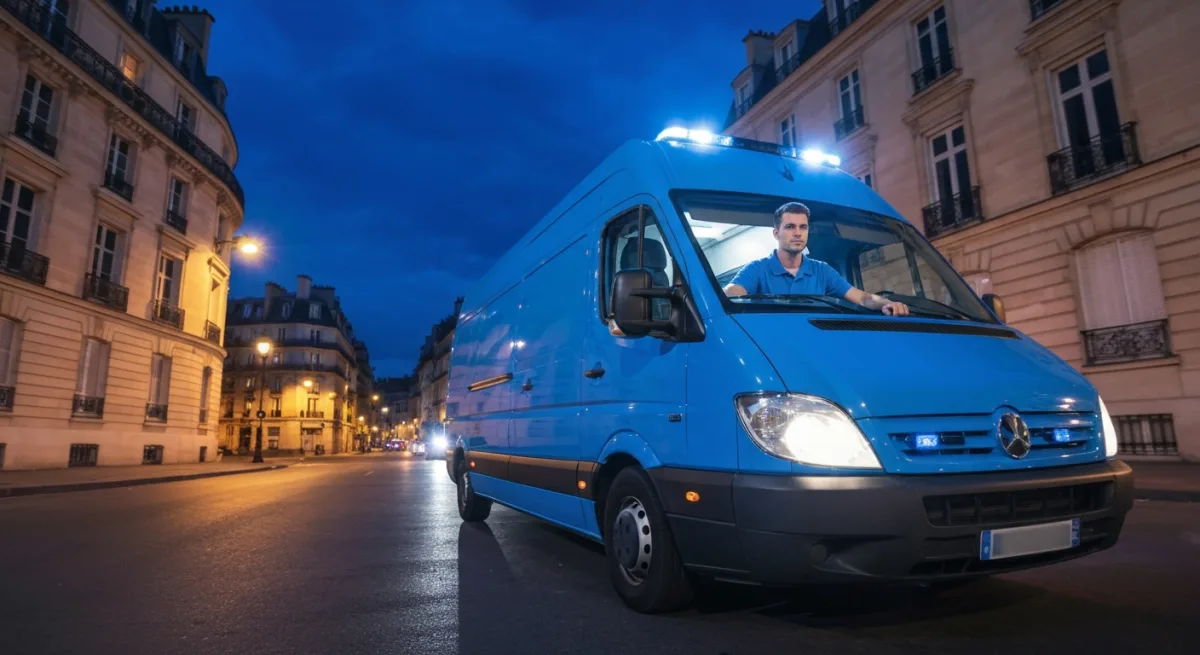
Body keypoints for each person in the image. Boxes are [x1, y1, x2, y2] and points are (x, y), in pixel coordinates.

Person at [723, 202, 910, 316]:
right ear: (776, 233)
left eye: (803, 227)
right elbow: (731, 293)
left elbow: (863, 298)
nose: (798, 233)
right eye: (790, 227)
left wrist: (887, 303)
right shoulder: (757, 269)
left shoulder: (822, 271)